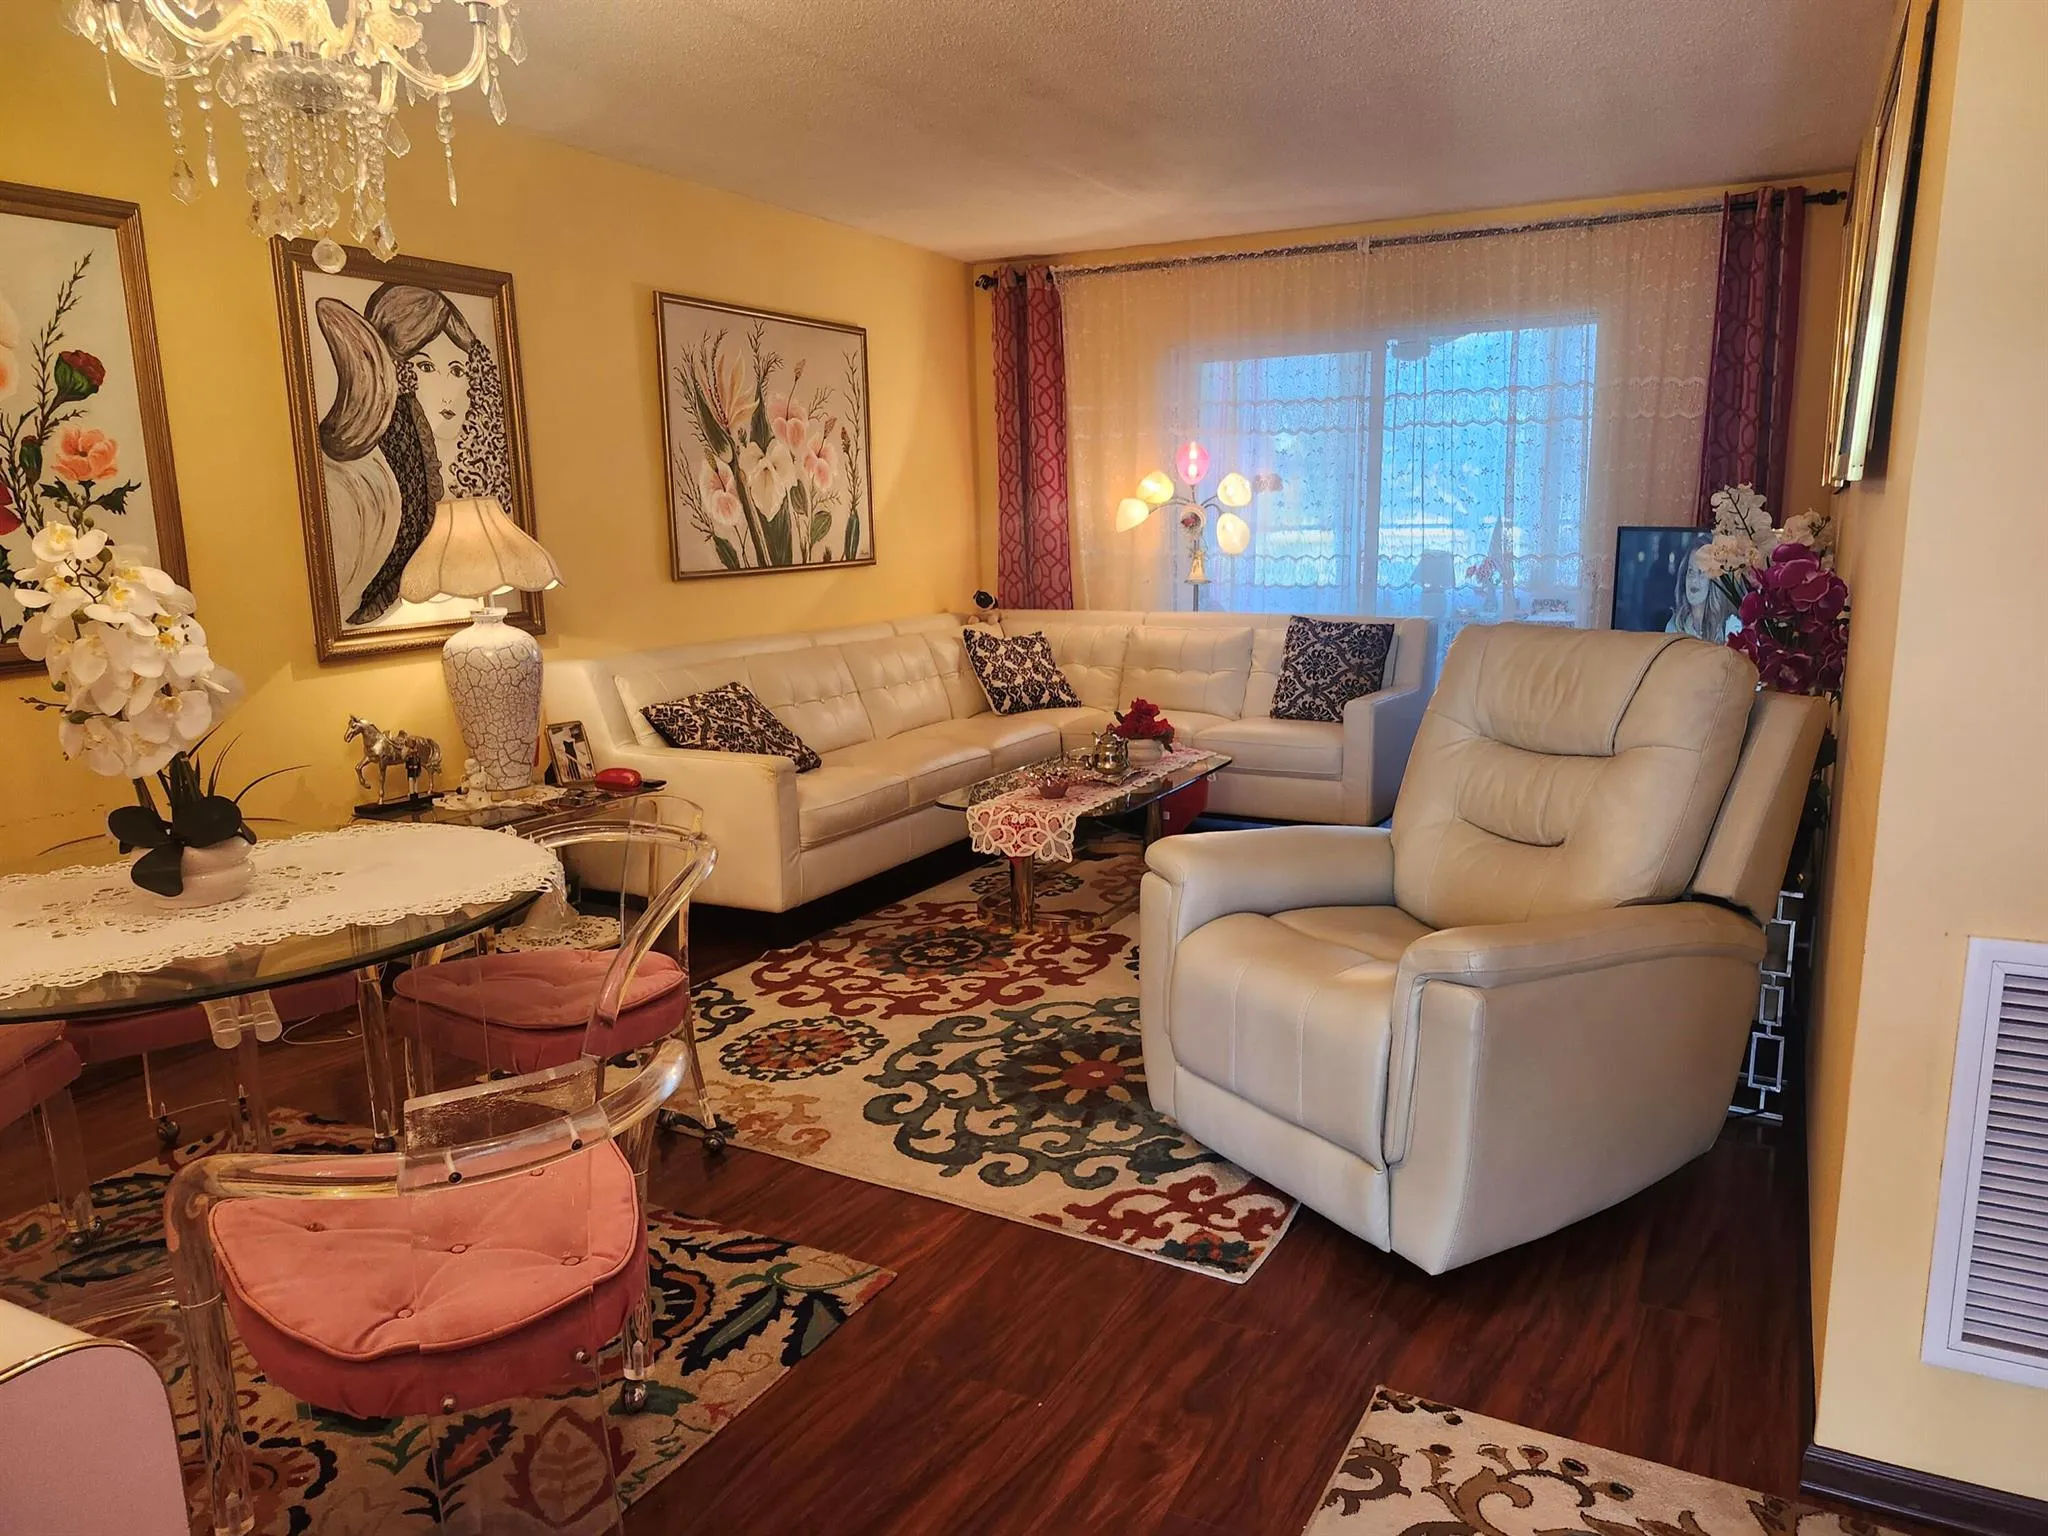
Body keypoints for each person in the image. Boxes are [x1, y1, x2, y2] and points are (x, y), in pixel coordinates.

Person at [315, 284, 511, 626]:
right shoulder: (361, 478)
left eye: (457, 370)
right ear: (398, 372)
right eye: (425, 367)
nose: (447, 392)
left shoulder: (445, 471)